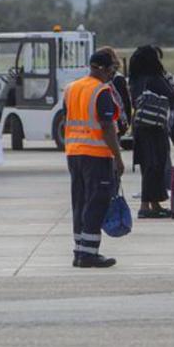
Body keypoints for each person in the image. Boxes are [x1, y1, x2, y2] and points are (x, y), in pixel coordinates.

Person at [63, 49, 125, 267]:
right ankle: (89, 254)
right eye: (112, 69)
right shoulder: (101, 91)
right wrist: (118, 157)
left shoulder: (71, 88)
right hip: (96, 155)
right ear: (102, 68)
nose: (112, 74)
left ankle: (79, 251)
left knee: (79, 202)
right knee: (96, 203)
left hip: (74, 154)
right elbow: (107, 127)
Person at [128, 45, 174, 218]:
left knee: (147, 165)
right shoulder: (155, 77)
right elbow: (171, 95)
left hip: (140, 126)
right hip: (155, 126)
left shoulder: (134, 80)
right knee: (155, 165)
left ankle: (154, 204)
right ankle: (145, 206)